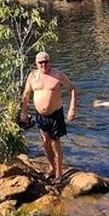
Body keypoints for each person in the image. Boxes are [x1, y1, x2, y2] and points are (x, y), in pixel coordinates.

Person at [20, 52, 77, 184]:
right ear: (36, 63)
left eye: (46, 61)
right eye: (41, 62)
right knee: (45, 143)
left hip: (55, 115)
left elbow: (72, 89)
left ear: (49, 61)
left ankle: (59, 173)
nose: (43, 64)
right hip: (40, 116)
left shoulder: (57, 74)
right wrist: (24, 112)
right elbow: (26, 94)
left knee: (55, 143)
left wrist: (72, 109)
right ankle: (52, 168)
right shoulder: (33, 76)